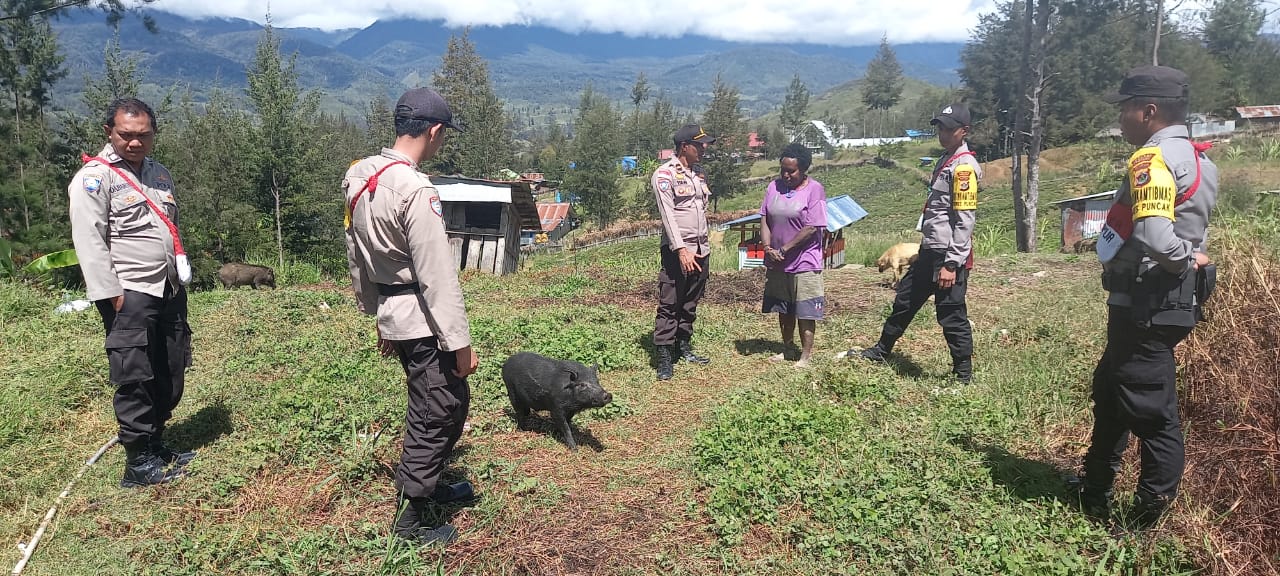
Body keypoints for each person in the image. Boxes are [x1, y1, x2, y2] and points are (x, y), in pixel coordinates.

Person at [1076, 66, 1217, 527]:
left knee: (1153, 412)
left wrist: (1184, 258)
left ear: (1149, 111)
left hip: (1146, 303)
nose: (1120, 118)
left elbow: (1159, 240)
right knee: (1112, 391)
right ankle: (1095, 487)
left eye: (1125, 108)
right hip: (1164, 303)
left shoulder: (1152, 159)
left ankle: (1146, 519)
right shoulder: (1199, 159)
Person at [343, 88, 480, 546]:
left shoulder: (361, 175)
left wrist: (377, 312)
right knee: (435, 413)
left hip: (395, 311)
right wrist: (460, 343)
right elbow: (437, 275)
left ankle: (430, 482)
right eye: (445, 135)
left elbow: (356, 252)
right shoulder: (416, 189)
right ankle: (410, 520)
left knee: (444, 404)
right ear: (435, 131)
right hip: (423, 320)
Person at [69, 98, 196, 488]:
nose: (135, 142)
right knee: (136, 373)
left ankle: (156, 442)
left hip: (167, 287)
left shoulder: (159, 174)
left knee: (170, 366)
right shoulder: (95, 178)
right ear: (109, 132)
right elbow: (89, 241)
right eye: (126, 135)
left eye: (144, 135)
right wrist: (110, 294)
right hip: (130, 291)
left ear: (154, 134)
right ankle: (138, 462)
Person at [840, 103, 981, 383]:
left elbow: (965, 221)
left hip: (947, 255)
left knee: (951, 313)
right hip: (928, 250)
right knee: (904, 301)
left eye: (949, 129)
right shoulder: (946, 160)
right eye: (940, 127)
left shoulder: (964, 168)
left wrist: (951, 264)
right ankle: (882, 350)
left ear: (964, 131)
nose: (943, 133)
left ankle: (963, 373)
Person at [652, 124, 716, 381]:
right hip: (678, 250)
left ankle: (683, 346)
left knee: (690, 301)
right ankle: (664, 356)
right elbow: (668, 216)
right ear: (684, 146)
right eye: (699, 144)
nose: (704, 148)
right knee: (670, 302)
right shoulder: (664, 175)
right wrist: (681, 249)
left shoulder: (698, 173)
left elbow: (701, 209)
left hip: (701, 248)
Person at [760, 143, 828, 367]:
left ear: (804, 169)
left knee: (805, 310)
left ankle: (805, 356)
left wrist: (785, 249)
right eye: (783, 170)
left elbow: (812, 227)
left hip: (804, 261)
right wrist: (768, 247)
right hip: (778, 261)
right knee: (783, 307)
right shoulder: (773, 187)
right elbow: (765, 218)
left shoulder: (814, 190)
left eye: (791, 171)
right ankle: (787, 348)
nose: (786, 175)